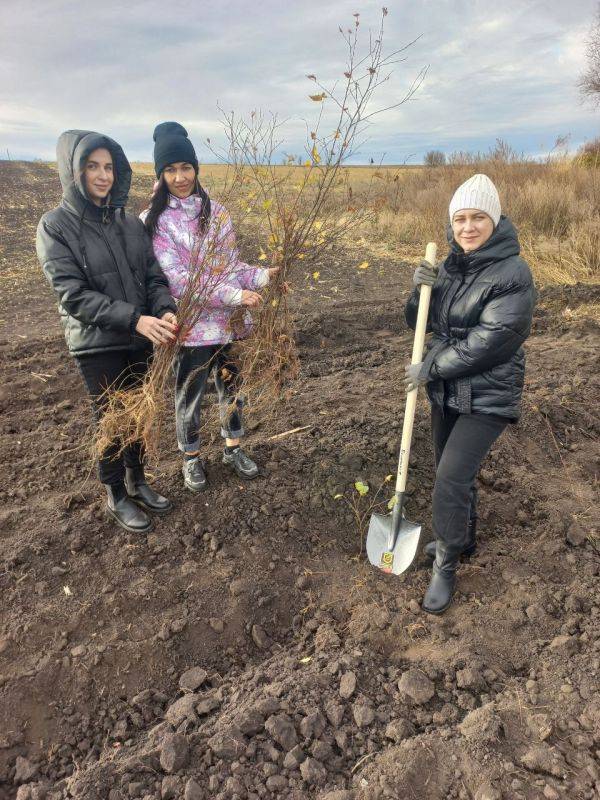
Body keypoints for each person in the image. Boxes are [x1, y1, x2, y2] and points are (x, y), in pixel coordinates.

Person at [404, 174, 536, 614]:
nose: (468, 227)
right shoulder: (449, 266)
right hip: (448, 390)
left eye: (478, 217)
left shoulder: (513, 273)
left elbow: (493, 338)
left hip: (490, 393)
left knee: (450, 477)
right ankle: (466, 537)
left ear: (494, 221)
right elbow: (419, 321)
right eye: (460, 219)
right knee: (450, 470)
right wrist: (419, 288)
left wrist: (430, 368)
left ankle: (446, 562)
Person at [36, 130, 178, 533]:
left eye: (108, 167)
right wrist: (135, 319)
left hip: (141, 335)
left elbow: (154, 276)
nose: (102, 176)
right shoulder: (55, 226)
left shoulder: (130, 223)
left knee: (139, 412)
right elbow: (73, 295)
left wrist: (164, 310)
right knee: (113, 417)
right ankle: (116, 493)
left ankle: (138, 480)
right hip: (97, 343)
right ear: (73, 171)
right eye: (92, 166)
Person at [141, 122, 277, 492]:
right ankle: (191, 458)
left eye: (186, 167)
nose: (180, 177)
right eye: (170, 169)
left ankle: (233, 449)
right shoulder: (154, 221)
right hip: (190, 328)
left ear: (196, 168)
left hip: (229, 324)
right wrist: (234, 295)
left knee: (233, 389)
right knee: (190, 395)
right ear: (160, 173)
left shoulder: (216, 213)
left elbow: (230, 266)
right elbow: (179, 281)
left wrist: (262, 276)